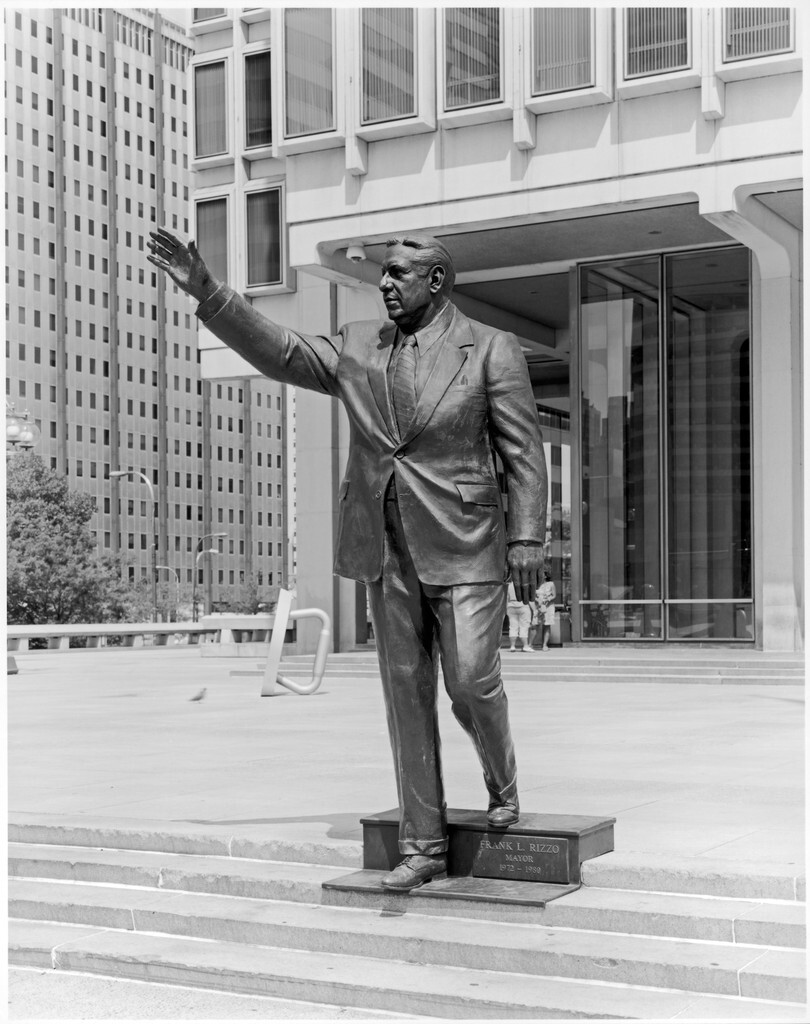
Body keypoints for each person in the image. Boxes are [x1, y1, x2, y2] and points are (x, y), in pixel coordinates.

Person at [147, 228, 548, 891]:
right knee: (406, 698)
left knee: (473, 683)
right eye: (381, 276)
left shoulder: (492, 350)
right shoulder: (361, 345)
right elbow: (282, 351)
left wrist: (528, 534)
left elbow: (523, 450)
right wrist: (209, 292)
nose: (384, 284)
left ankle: (501, 778)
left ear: (436, 282)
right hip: (384, 545)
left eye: (396, 274)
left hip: (467, 540)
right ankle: (424, 847)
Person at [506, 580, 534, 652]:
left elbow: (506, 597)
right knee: (524, 626)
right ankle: (525, 646)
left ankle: (512, 646)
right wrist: (534, 609)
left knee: (512, 626)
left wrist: (506, 608)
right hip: (523, 605)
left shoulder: (509, 585)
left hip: (511, 605)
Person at [534, 571, 556, 652]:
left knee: (547, 625)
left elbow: (554, 595)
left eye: (541, 574)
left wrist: (548, 599)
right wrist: (538, 600)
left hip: (548, 606)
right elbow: (532, 596)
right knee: (536, 624)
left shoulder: (551, 584)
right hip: (538, 606)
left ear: (545, 576)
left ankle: (545, 645)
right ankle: (532, 644)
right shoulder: (535, 585)